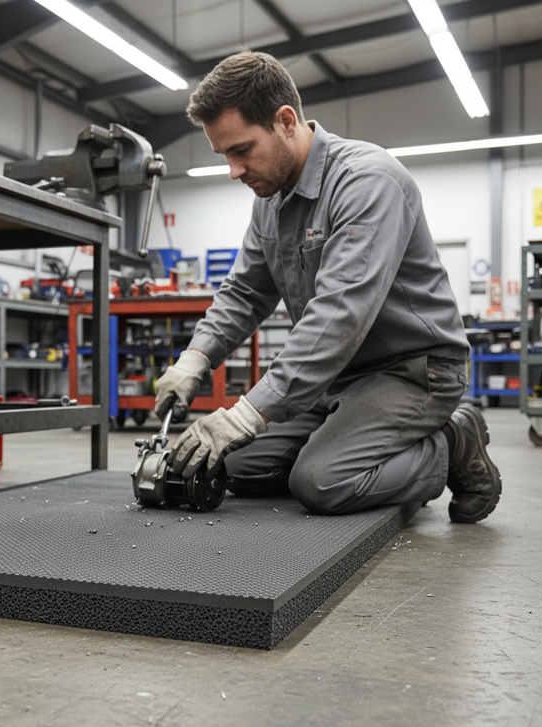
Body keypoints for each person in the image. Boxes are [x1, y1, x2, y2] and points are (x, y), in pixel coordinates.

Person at [154, 50, 501, 522]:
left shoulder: (366, 181)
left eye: (241, 150)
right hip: (334, 377)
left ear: (285, 121)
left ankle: (452, 441)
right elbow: (245, 291)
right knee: (236, 466)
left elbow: (339, 316)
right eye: (224, 155)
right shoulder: (270, 199)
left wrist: (246, 414)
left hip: (412, 372)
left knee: (321, 482)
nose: (233, 170)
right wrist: (194, 360)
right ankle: (360, 447)